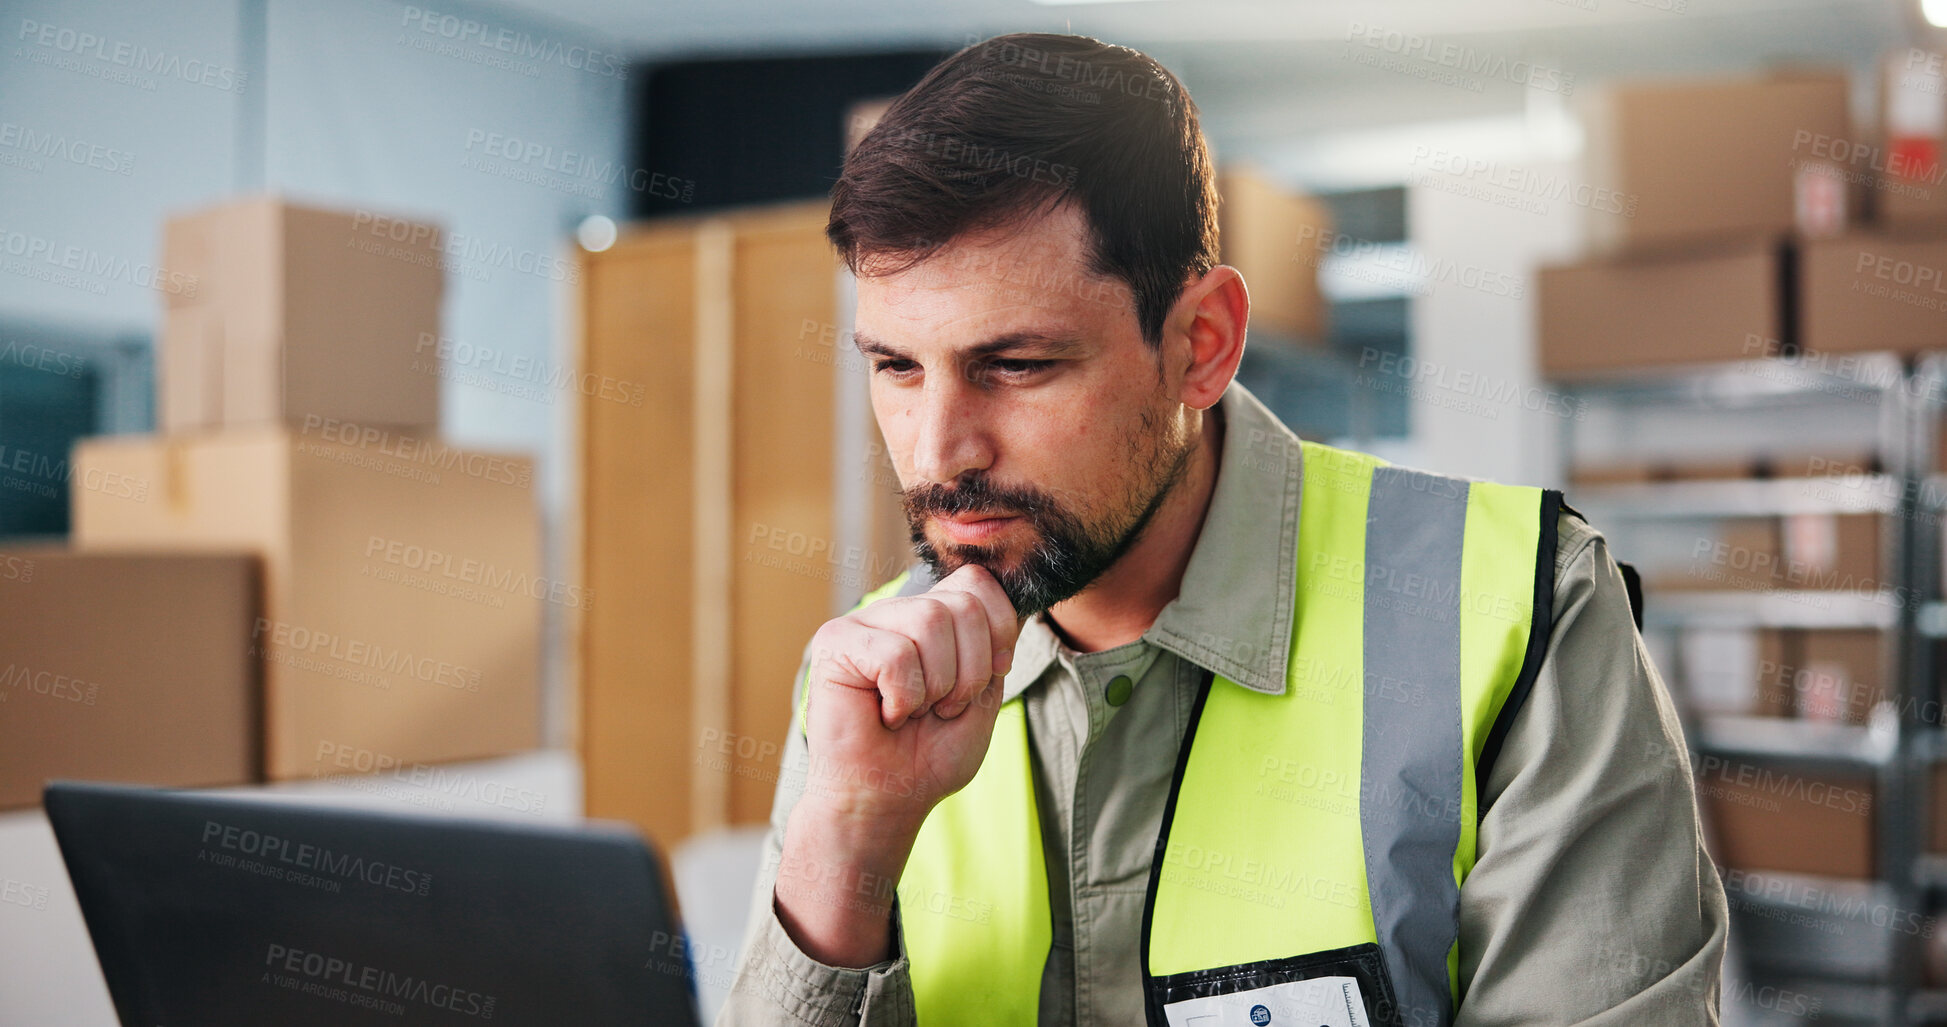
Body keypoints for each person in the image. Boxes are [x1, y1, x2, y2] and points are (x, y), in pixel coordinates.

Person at [719, 31, 1726, 1027]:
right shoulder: (864, 683)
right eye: (895, 366)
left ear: (1202, 344)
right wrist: (845, 850)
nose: (940, 451)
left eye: (1017, 365)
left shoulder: (1519, 613)